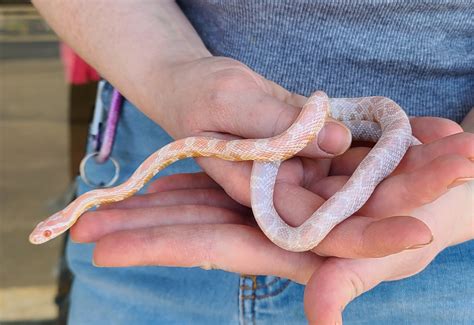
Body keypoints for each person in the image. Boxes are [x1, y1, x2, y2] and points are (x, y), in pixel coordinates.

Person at [33, 1, 473, 324]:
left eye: (48, 229)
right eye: (46, 231)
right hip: (161, 126)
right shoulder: (129, 186)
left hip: (441, 204)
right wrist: (171, 74)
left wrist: (461, 202)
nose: (45, 234)